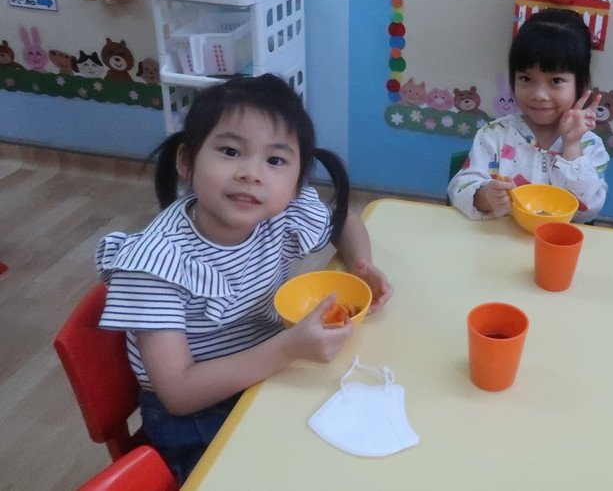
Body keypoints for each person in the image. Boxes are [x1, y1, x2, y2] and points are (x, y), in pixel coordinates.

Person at [95, 74, 392, 483]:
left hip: (263, 372)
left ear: (297, 180)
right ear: (187, 161)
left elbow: (346, 223)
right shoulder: (154, 264)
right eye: (231, 151)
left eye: (275, 161)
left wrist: (362, 265)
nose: (252, 174)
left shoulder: (280, 213)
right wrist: (289, 348)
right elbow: (178, 392)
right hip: (196, 413)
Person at [448, 8, 609, 222]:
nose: (539, 95)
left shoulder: (589, 146)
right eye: (526, 79)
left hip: (556, 240)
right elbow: (460, 187)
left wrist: (571, 145)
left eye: (556, 81)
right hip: (498, 237)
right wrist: (483, 196)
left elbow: (585, 211)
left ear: (581, 84)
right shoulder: (494, 134)